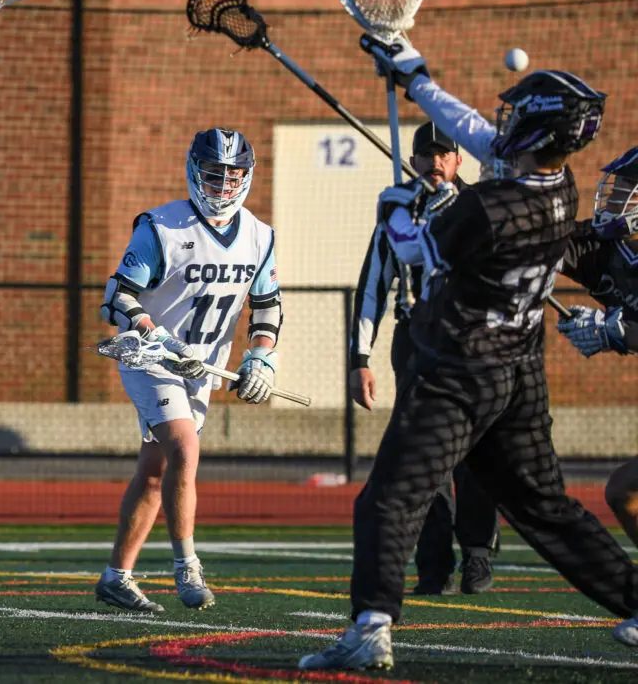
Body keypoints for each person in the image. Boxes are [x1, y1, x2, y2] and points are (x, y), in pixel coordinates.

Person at [298, 35, 637, 671]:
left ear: (537, 129)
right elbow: (479, 135)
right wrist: (417, 80)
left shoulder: (490, 207)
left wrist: (395, 208)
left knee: (389, 499)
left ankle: (371, 627)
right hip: (519, 374)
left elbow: (412, 247)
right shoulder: (557, 185)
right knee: (544, 506)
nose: (503, 123)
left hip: (459, 372)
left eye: (519, 115)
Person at [94, 128, 282, 612]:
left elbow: (266, 305)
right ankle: (187, 565)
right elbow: (117, 298)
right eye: (215, 174)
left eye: (233, 175)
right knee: (185, 446)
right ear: (195, 171)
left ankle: (116, 576)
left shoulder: (259, 236)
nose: (224, 184)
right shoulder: (162, 227)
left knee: (156, 472)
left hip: (203, 367)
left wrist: (261, 356)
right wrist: (155, 334)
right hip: (152, 357)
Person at [350, 123, 499, 595]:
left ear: (458, 160)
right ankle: (434, 565)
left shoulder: (481, 207)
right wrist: (359, 358)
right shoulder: (398, 210)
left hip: (474, 343)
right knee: (422, 454)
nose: (435, 162)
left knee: (474, 450)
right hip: (416, 341)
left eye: (443, 153)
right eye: (426, 154)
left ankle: (477, 552)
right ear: (412, 161)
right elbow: (373, 286)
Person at [555, 146, 638, 564]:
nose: (613, 195)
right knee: (624, 494)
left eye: (627, 187)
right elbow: (541, 241)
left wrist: (615, 332)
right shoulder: (604, 247)